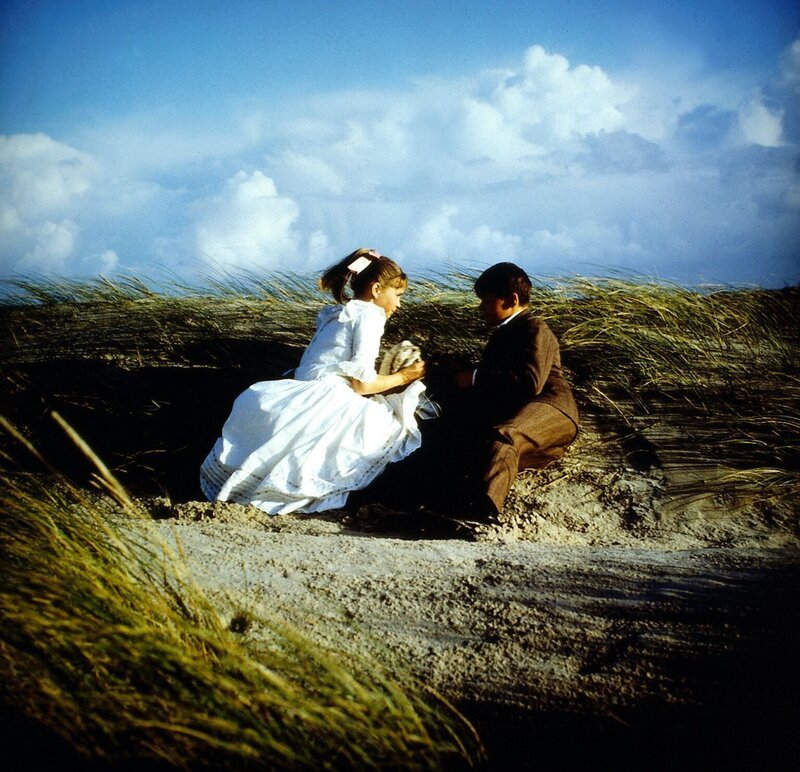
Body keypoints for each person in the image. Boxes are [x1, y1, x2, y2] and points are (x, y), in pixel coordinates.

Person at [200, 248, 427, 515]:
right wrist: (404, 376)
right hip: (328, 396)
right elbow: (361, 385)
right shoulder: (369, 316)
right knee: (395, 424)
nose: (399, 304)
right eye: (398, 295)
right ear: (377, 289)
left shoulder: (336, 314)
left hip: (300, 389)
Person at [378, 261, 578, 522]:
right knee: (448, 436)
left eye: (487, 300)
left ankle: (483, 512)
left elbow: (530, 382)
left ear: (511, 299)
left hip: (551, 407)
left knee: (505, 437)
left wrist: (473, 377)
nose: (481, 307)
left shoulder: (534, 327)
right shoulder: (502, 334)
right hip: (524, 408)